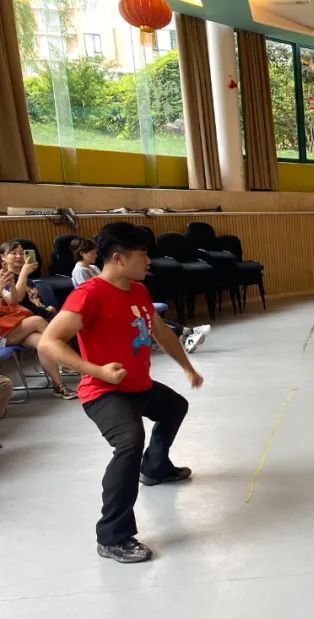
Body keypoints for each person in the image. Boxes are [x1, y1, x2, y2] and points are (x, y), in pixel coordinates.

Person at [39, 222, 204, 564]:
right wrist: (97, 370)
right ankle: (113, 536)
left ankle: (155, 468)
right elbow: (49, 342)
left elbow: (162, 333)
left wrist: (187, 367)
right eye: (143, 254)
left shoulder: (138, 290)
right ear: (118, 258)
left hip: (137, 385)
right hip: (103, 391)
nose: (149, 261)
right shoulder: (89, 294)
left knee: (174, 407)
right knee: (129, 442)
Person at [70, 237, 210, 354]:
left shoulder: (93, 268)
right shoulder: (79, 271)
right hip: (104, 308)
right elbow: (94, 292)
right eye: (92, 253)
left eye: (96, 253)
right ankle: (187, 333)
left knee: (146, 313)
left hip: (113, 300)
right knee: (143, 317)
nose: (95, 256)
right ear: (82, 253)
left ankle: (186, 333)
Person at [0, 240, 76, 399]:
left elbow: (13, 299)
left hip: (18, 328)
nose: (19, 256)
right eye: (13, 253)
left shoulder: (10, 277)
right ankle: (70, 362)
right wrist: (16, 277)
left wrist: (11, 284)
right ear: (3, 257)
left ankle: (58, 386)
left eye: (21, 253)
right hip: (3, 336)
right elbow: (17, 299)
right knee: (37, 321)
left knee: (43, 343)